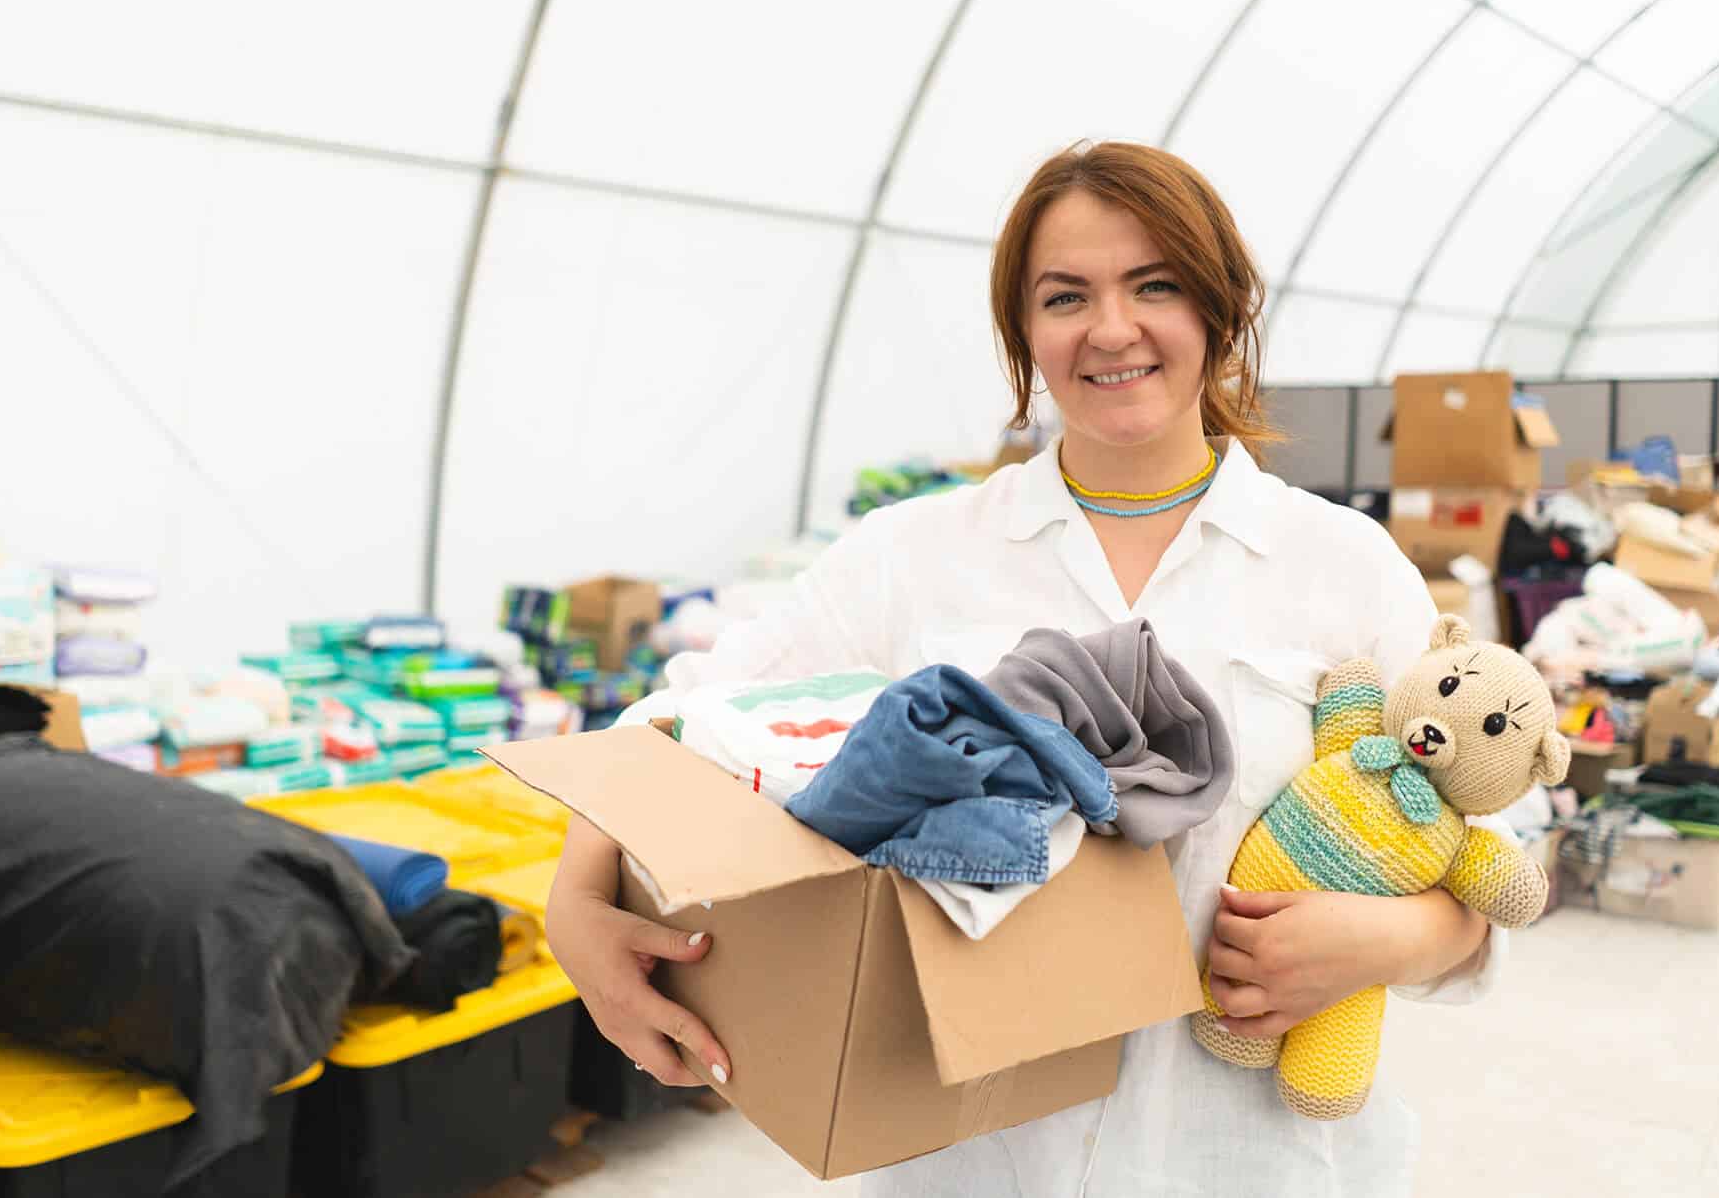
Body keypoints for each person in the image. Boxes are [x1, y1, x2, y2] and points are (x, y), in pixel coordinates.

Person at [546, 141, 1508, 1196]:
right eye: (1064, 296)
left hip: (1255, 1159)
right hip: (972, 1164)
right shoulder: (911, 557)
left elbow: (1490, 838)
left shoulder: (1340, 566)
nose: (1109, 328)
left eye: (1155, 285)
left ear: (1221, 309)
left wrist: (1392, 937)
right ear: (1022, 333)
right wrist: (576, 910)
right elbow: (677, 720)